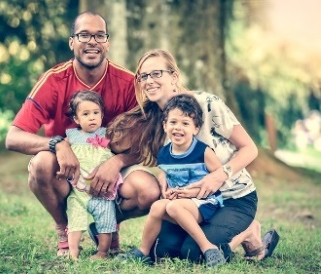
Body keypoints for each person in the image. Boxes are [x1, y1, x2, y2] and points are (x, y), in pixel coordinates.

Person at [5, 11, 160, 256]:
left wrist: (117, 161)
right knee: (41, 165)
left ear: (107, 43)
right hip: (68, 167)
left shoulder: (129, 83)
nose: (92, 42)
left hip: (113, 169)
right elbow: (13, 137)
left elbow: (146, 139)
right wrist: (58, 144)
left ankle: (106, 223)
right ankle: (64, 229)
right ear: (72, 42)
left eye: (99, 36)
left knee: (149, 191)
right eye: (84, 35)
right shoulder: (54, 80)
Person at [112, 49, 279, 264]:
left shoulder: (207, 104)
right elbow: (173, 161)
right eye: (143, 76)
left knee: (194, 254)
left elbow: (250, 148)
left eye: (156, 74)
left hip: (232, 198)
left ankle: (248, 230)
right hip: (191, 203)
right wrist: (165, 178)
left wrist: (220, 175)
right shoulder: (160, 122)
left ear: (174, 77)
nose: (149, 81)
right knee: (164, 252)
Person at [118, 94, 227, 267]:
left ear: (196, 128)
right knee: (157, 206)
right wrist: (168, 189)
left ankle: (208, 247)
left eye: (185, 123)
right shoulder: (164, 153)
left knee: (173, 206)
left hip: (205, 202)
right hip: (179, 202)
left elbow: (219, 179)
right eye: (173, 122)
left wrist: (190, 192)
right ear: (165, 125)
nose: (178, 128)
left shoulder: (203, 152)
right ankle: (144, 251)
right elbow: (167, 175)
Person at [64, 91, 125, 260]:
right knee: (75, 220)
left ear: (102, 115)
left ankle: (103, 252)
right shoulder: (72, 136)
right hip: (78, 190)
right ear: (76, 119)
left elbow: (121, 150)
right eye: (85, 114)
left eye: (95, 113)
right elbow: (62, 151)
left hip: (101, 190)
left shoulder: (107, 134)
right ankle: (73, 252)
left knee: (106, 221)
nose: (92, 118)